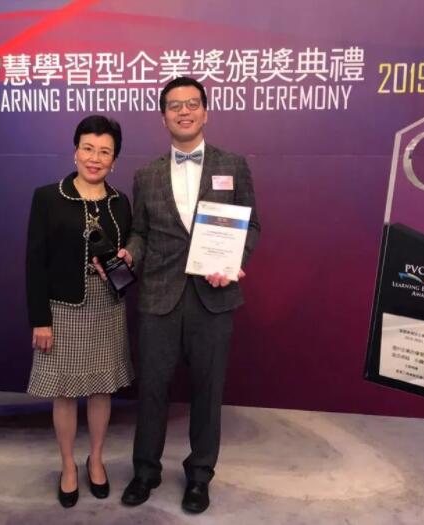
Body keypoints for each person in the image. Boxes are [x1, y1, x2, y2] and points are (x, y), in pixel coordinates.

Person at [117, 76, 261, 513]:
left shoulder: (232, 164)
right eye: (175, 106)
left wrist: (233, 262)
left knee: (207, 391)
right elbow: (141, 232)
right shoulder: (146, 175)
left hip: (213, 298)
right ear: (163, 117)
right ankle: (145, 471)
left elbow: (251, 225)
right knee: (152, 390)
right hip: (158, 297)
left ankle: (200, 476)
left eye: (192, 104)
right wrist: (130, 252)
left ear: (205, 111)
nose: (184, 111)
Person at [25, 115, 134, 508]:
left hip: (108, 306)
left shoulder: (120, 202)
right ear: (75, 151)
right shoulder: (48, 197)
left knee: (102, 388)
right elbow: (35, 262)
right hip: (63, 308)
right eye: (88, 148)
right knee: (65, 391)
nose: (94, 158)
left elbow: (129, 251)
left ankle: (97, 459)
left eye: (104, 152)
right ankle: (68, 465)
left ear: (114, 160)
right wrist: (40, 320)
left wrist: (127, 257)